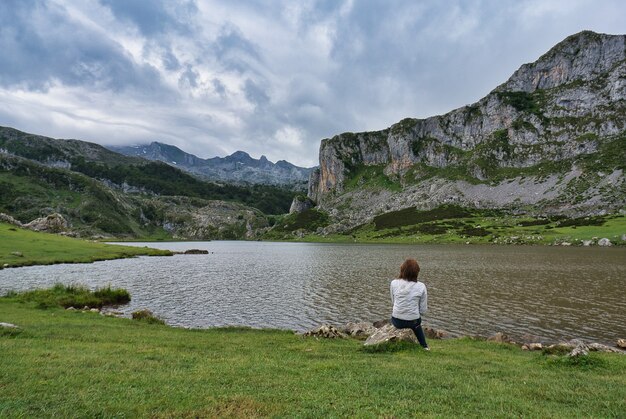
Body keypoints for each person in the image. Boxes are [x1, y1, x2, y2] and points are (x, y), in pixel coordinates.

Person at [390, 258, 429, 350]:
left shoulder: (393, 283)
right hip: (413, 322)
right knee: (417, 324)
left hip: (397, 320)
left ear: (402, 270)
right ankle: (424, 346)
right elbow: (423, 311)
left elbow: (394, 302)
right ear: (417, 272)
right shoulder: (421, 286)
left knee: (397, 317)